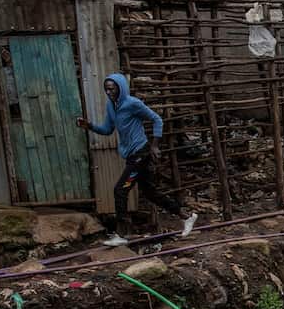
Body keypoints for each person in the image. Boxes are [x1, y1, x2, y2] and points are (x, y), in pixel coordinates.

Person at [77, 73, 197, 246]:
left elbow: (157, 119)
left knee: (120, 190)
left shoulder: (132, 103)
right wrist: (89, 126)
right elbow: (108, 129)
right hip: (132, 155)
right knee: (150, 192)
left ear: (121, 88)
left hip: (141, 152)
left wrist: (155, 145)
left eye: (112, 88)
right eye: (106, 89)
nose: (109, 92)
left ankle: (121, 233)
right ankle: (187, 217)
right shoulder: (112, 106)